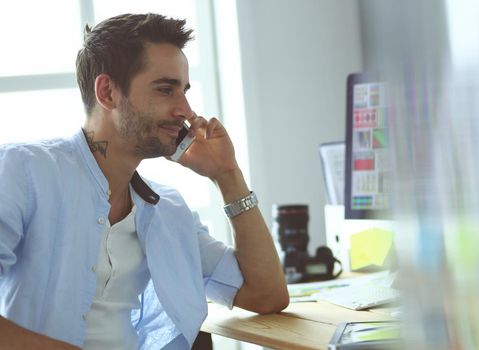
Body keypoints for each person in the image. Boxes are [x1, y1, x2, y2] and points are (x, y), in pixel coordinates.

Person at [0, 13, 289, 349]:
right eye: (166, 89)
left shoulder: (167, 210)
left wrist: (227, 175)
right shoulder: (24, 171)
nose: (185, 109)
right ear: (107, 92)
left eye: (184, 90)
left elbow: (266, 295)